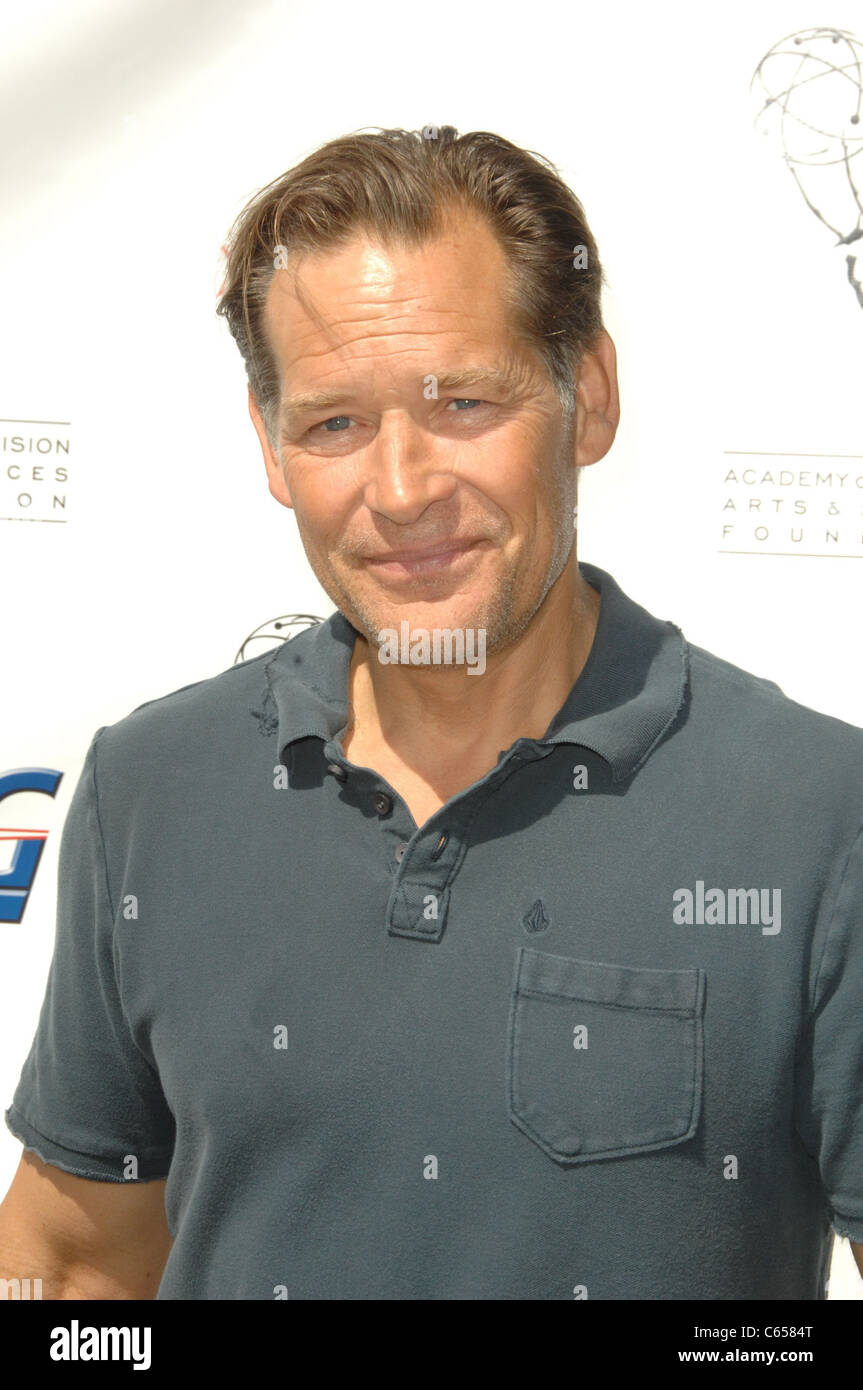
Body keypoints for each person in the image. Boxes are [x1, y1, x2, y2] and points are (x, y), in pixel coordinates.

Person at [1, 126, 861, 1300]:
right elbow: (75, 1264)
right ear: (269, 446)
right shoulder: (153, 788)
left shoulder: (817, 821)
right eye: (334, 424)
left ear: (588, 397)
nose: (400, 490)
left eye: (460, 401)